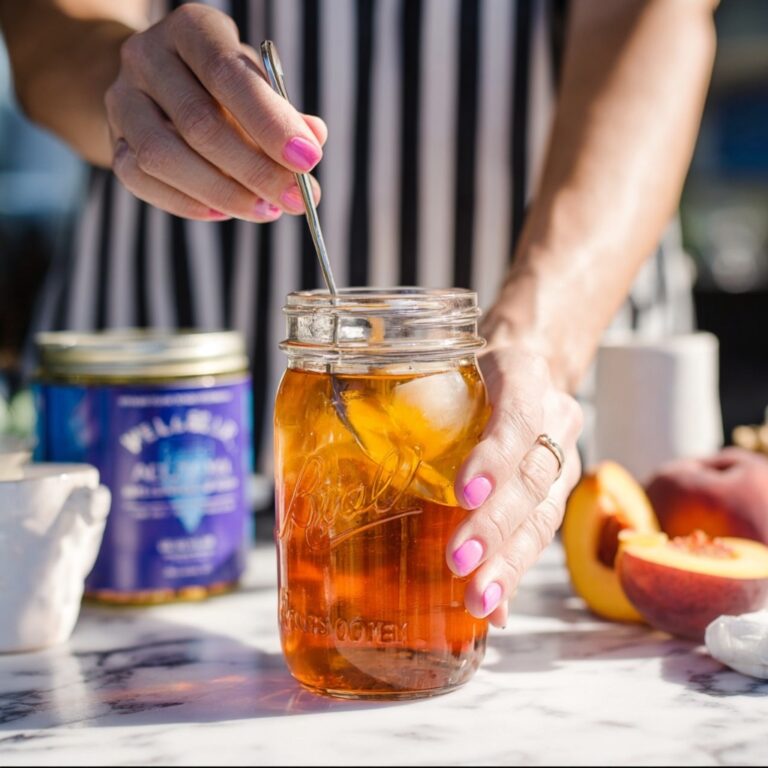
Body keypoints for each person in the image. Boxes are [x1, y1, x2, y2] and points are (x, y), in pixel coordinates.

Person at [0, 0, 717, 627]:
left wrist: (538, 341)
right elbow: (42, 29)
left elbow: (653, 14)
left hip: (551, 325)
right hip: (142, 401)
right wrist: (130, 85)